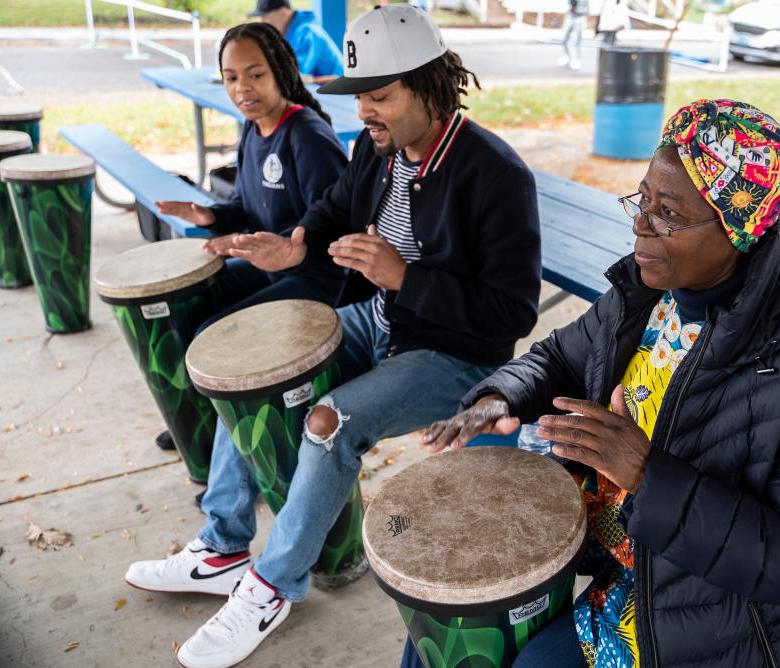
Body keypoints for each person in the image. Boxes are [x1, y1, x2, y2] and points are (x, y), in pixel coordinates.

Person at [125, 6, 541, 668]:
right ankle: (225, 542)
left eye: (380, 96)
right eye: (360, 97)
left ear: (431, 85)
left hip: (453, 357)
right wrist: (295, 247)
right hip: (378, 321)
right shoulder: (372, 150)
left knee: (328, 421)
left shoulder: (494, 174)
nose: (366, 112)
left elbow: (512, 314)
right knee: (259, 364)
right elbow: (332, 210)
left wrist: (404, 277)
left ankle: (273, 584)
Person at [421, 99, 780, 667]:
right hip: (637, 568)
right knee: (449, 604)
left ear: (739, 230)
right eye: (643, 198)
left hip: (735, 627)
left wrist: (646, 474)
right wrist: (500, 397)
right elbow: (560, 358)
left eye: (669, 213)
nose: (641, 223)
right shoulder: (649, 293)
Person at [151, 22, 348, 454]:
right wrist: (210, 215)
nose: (243, 88)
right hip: (271, 268)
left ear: (280, 70)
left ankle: (239, 451)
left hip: (319, 280)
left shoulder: (308, 136)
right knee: (191, 300)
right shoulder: (253, 128)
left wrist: (291, 250)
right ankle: (203, 422)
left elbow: (338, 229)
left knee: (214, 334)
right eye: (231, 77)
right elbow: (244, 206)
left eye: (255, 74)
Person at [249, 0, 344, 81]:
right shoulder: (291, 33)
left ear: (283, 12)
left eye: (266, 19)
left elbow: (292, 74)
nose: (263, 24)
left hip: (342, 96)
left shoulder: (307, 32)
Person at [559, 0, 587, 70]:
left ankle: (575, 59)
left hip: (579, 16)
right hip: (570, 15)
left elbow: (585, 6)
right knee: (564, 38)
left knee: (575, 40)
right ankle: (566, 56)